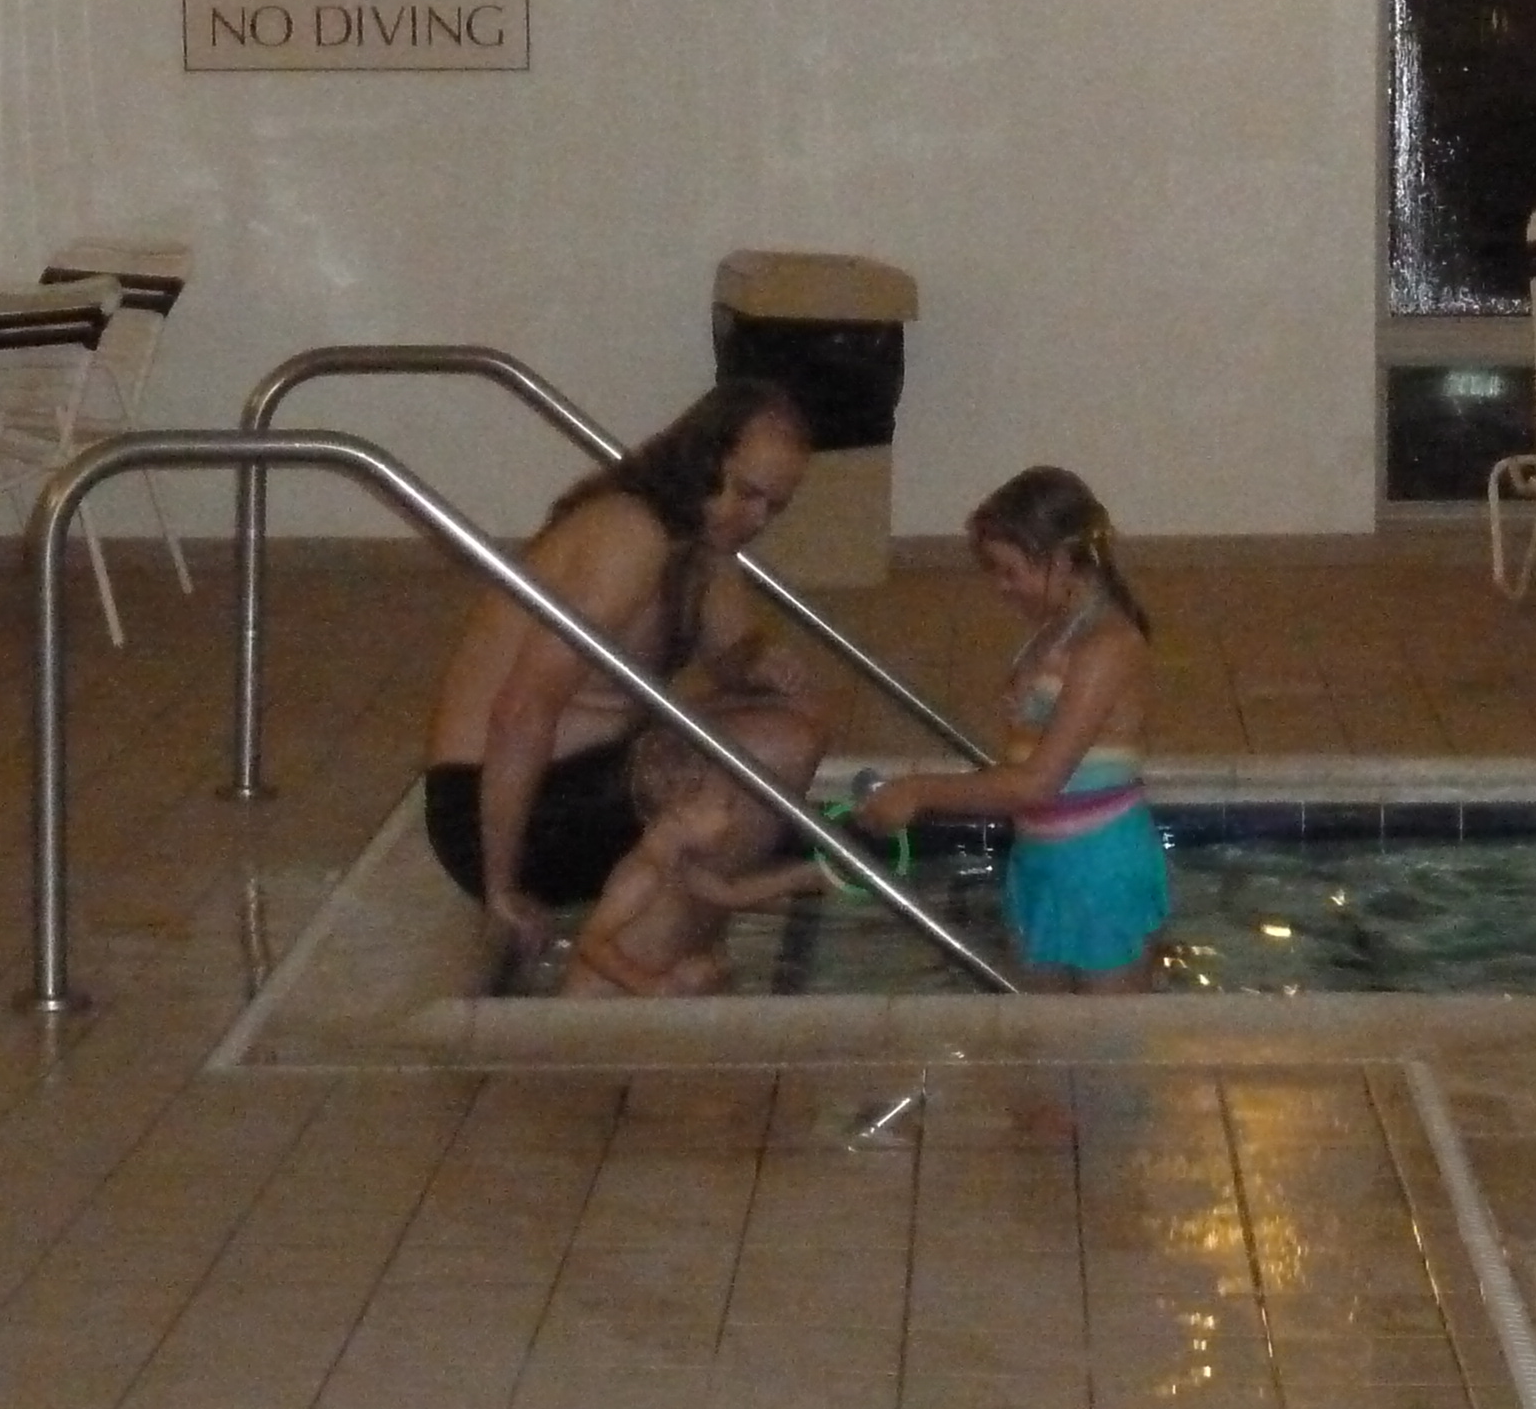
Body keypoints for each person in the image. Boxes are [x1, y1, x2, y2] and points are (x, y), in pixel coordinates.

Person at [424, 379, 827, 969]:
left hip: (585, 775)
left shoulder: (701, 539)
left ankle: (684, 924)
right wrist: (500, 886)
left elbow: (730, 654)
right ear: (704, 458)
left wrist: (757, 663)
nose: (756, 520)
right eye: (748, 494)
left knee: (798, 720)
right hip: (500, 811)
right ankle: (658, 949)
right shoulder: (628, 536)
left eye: (774, 507)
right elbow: (522, 710)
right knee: (778, 746)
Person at [852, 465, 1164, 992]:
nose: (1000, 587)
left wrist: (919, 791)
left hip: (1102, 866)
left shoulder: (1108, 646)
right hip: (1042, 859)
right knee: (1040, 1031)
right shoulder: (1055, 632)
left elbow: (1038, 783)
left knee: (1105, 1037)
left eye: (1009, 571)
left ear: (1062, 560)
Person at [557, 727, 837, 997]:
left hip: (633, 993)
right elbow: (591, 942)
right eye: (725, 807)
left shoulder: (682, 866)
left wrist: (800, 877)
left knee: (709, 969)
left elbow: (731, 892)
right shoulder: (643, 874)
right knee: (699, 974)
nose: (733, 822)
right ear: (681, 809)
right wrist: (648, 985)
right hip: (595, 1004)